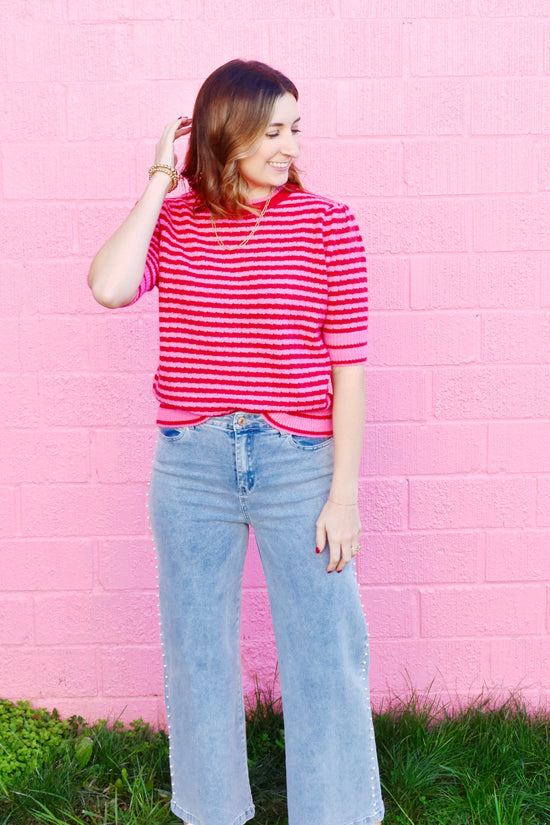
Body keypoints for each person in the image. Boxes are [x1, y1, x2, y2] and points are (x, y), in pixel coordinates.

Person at [88, 59, 384, 825]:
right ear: (229, 134)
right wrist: (160, 177)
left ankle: (340, 812)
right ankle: (212, 810)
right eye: (273, 129)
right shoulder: (176, 223)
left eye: (296, 127)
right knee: (197, 654)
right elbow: (111, 285)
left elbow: (348, 370)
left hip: (296, 463)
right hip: (190, 465)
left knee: (325, 651)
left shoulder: (329, 223)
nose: (291, 145)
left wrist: (342, 494)